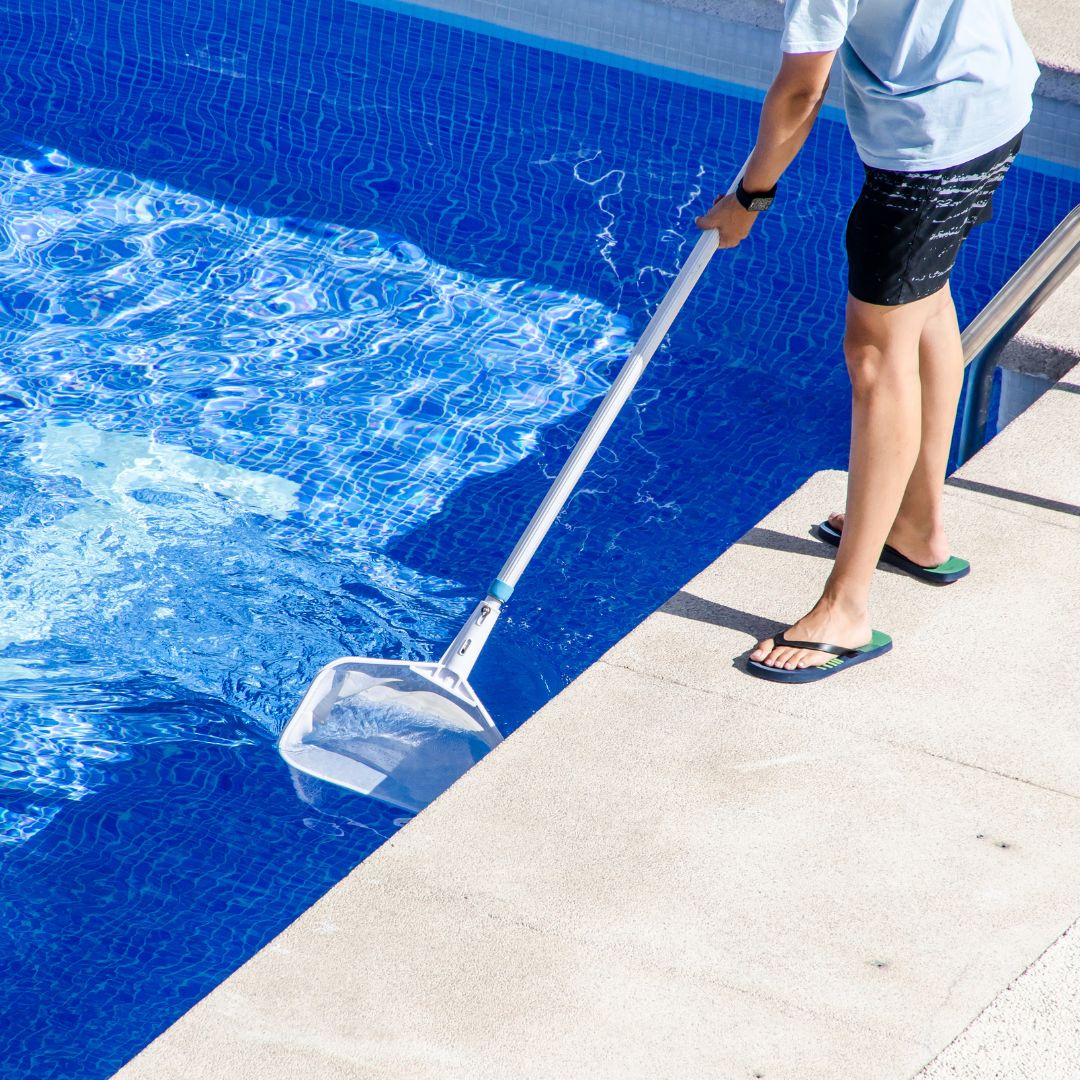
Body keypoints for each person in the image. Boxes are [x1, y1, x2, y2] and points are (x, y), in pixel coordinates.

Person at [696, 0, 1040, 683]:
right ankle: (917, 526)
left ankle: (845, 608)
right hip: (994, 105)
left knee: (875, 358)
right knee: (926, 303)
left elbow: (802, 89)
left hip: (927, 153)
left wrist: (750, 198)